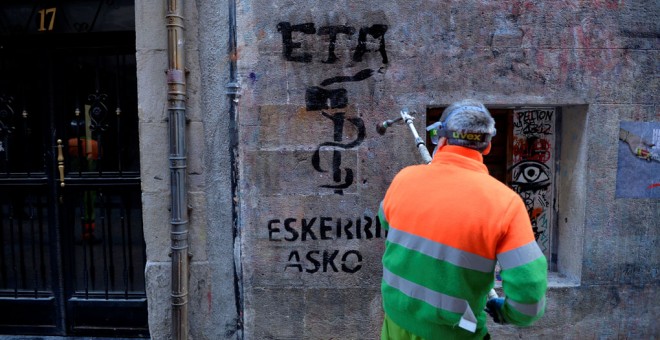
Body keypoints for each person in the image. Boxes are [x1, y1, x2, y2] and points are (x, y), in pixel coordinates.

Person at [378, 99, 547, 339]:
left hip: (396, 324)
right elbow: (529, 300)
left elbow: (386, 220)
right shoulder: (505, 204)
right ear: (487, 147)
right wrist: (506, 312)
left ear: (441, 138)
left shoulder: (404, 179)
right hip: (457, 333)